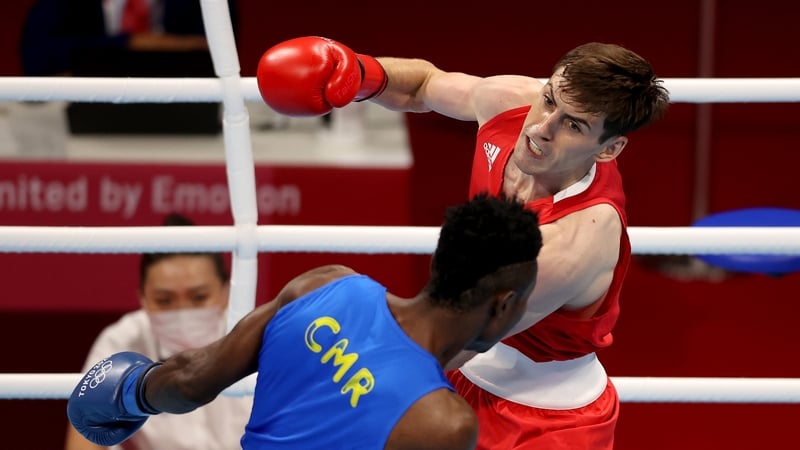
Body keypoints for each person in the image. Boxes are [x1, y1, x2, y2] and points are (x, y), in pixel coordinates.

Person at [255, 36, 671, 449]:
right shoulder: (515, 102)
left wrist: (321, 370)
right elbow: (422, 85)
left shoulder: (569, 244)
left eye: (573, 125)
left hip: (544, 420)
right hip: (460, 363)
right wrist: (361, 74)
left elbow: (455, 339)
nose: (542, 129)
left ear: (609, 149)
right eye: (549, 100)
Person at [66, 193, 543, 450]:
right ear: (504, 305)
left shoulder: (326, 285)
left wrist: (129, 392)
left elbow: (191, 381)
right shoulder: (443, 424)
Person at [64, 213, 252, 450]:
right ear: (143, 298)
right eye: (164, 300)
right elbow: (83, 440)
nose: (183, 313)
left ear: (225, 291)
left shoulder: (256, 338)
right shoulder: (120, 341)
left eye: (199, 297)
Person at [18, 0, 238, 77]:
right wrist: (128, 43)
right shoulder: (66, 5)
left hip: (185, 126)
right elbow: (37, 58)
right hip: (88, 123)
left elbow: (218, 53)